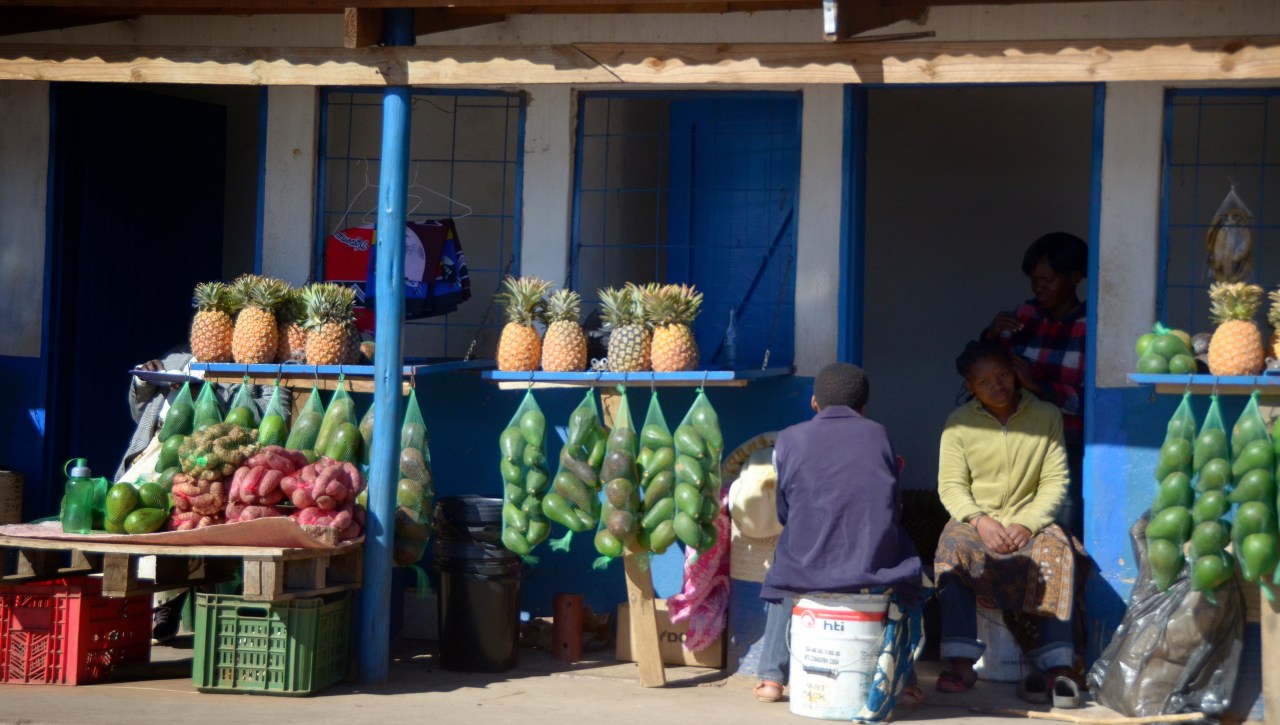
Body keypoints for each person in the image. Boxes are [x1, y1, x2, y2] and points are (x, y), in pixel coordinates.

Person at [755, 363, 924, 715]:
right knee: (908, 572)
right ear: (864, 406)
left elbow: (784, 510)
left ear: (814, 402)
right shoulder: (878, 435)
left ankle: (771, 677)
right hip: (870, 566)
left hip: (805, 568)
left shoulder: (789, 439)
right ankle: (905, 679)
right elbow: (894, 506)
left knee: (784, 573)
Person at [933, 341, 1082, 707]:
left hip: (1029, 519)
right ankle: (960, 662)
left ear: (1015, 373)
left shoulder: (1046, 415)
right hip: (977, 520)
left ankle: (1057, 665)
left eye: (1002, 375)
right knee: (950, 549)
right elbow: (951, 486)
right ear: (970, 386)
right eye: (984, 381)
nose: (996, 386)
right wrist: (979, 520)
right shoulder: (958, 424)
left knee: (1058, 550)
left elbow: (1055, 481)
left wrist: (1029, 523)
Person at [982, 232, 1087, 534]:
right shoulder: (1025, 316)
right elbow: (980, 369)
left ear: (1074, 277)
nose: (1038, 287)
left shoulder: (1090, 327)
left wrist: (1038, 386)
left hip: (1067, 445)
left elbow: (1088, 400)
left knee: (1062, 529)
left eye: (1047, 280)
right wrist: (992, 335)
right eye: (1034, 280)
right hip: (1019, 441)